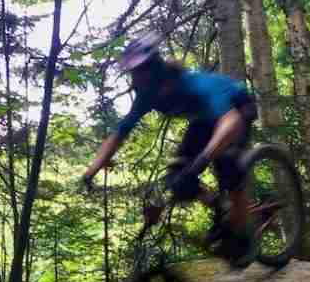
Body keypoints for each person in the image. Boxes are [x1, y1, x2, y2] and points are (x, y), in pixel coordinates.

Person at [81, 32, 258, 267]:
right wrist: (91, 169)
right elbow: (119, 134)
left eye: (139, 73)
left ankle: (243, 233)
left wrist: (203, 159)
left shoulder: (195, 85)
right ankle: (218, 204)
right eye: (133, 74)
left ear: (155, 70)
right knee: (177, 178)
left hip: (237, 111)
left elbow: (230, 121)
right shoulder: (147, 96)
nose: (135, 80)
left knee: (226, 164)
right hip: (204, 122)